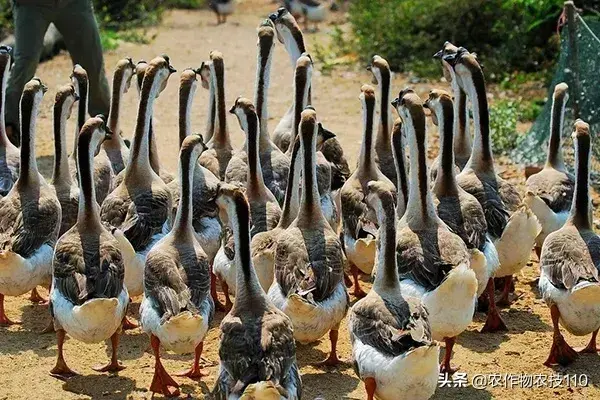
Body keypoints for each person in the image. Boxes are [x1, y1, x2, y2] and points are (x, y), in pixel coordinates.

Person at [6, 0, 110, 143]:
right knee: (24, 64)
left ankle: (105, 129)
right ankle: (8, 132)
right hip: (31, 4)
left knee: (92, 63)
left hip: (73, 3)